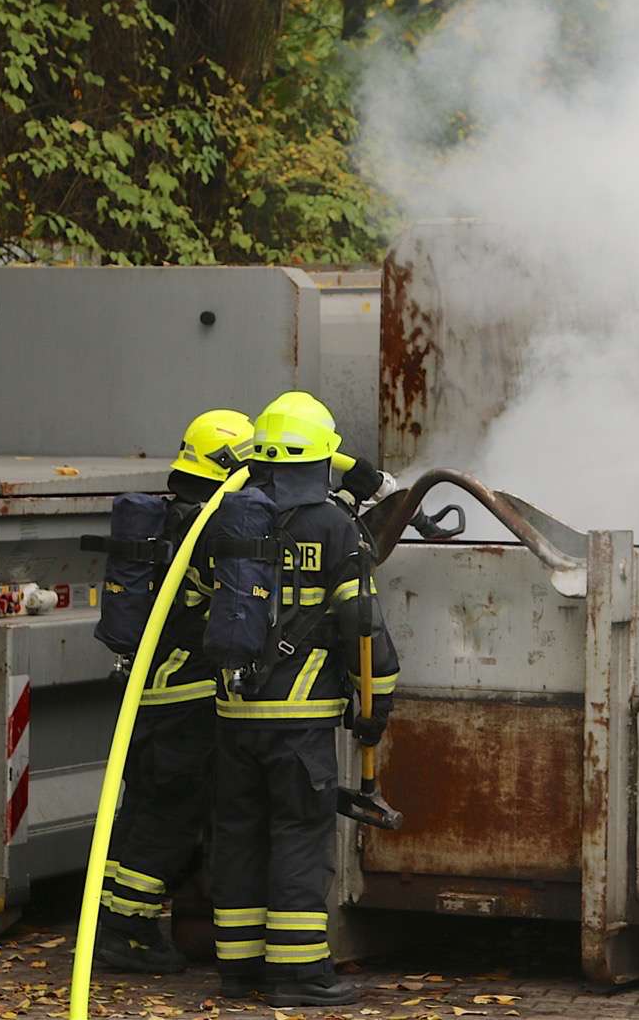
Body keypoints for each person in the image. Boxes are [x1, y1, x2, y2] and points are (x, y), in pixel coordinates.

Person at [210, 391, 399, 1007]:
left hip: (234, 714)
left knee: (239, 834)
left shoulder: (231, 515)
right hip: (300, 718)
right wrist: (375, 707)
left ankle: (239, 970)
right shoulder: (333, 526)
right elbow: (362, 626)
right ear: (321, 460)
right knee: (296, 836)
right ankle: (298, 974)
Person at [97, 408, 254, 974]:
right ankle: (126, 930)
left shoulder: (167, 516)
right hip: (187, 696)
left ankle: (108, 921)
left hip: (146, 688)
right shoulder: (216, 524)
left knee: (141, 808)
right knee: (171, 818)